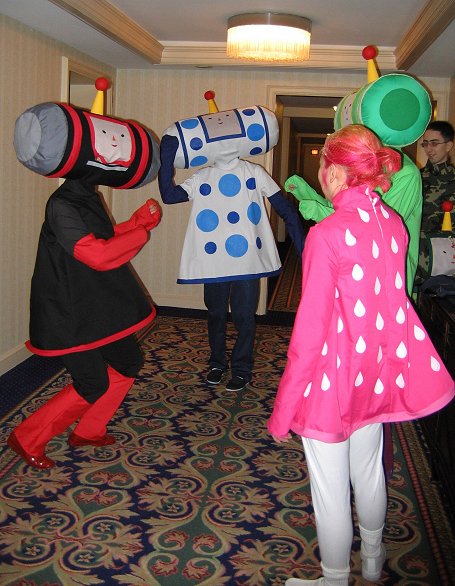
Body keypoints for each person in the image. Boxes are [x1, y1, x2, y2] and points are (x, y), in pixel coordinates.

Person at [267, 124, 454, 586]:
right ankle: (372, 560)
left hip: (332, 377)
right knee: (369, 471)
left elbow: (310, 331)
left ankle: (334, 578)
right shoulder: (392, 223)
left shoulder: (327, 234)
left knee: (330, 489)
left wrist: (283, 410)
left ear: (333, 172)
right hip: (376, 370)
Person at [7, 80, 162, 469]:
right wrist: (140, 234)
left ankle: (89, 430)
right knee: (93, 382)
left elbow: (104, 238)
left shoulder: (87, 196)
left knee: (127, 363)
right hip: (68, 312)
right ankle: (27, 437)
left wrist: (136, 223)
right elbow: (97, 254)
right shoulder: (61, 205)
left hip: (94, 302)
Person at [159, 91, 305, 392]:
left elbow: (284, 207)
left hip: (247, 260)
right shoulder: (201, 177)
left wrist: (304, 246)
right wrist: (166, 159)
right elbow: (170, 196)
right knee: (215, 315)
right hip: (213, 261)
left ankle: (241, 367)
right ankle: (216, 362)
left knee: (243, 317)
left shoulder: (255, 172)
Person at [416, 120, 455, 285]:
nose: (428, 149)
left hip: (446, 262)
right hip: (415, 256)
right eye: (425, 144)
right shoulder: (415, 178)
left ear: (448, 145)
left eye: (434, 143)